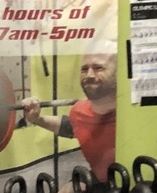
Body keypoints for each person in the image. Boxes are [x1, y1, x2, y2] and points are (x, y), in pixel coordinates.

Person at [21, 50, 117, 182]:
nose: (89, 75)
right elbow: (72, 126)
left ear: (118, 72)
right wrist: (37, 119)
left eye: (98, 68)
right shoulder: (80, 110)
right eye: (84, 69)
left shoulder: (132, 111)